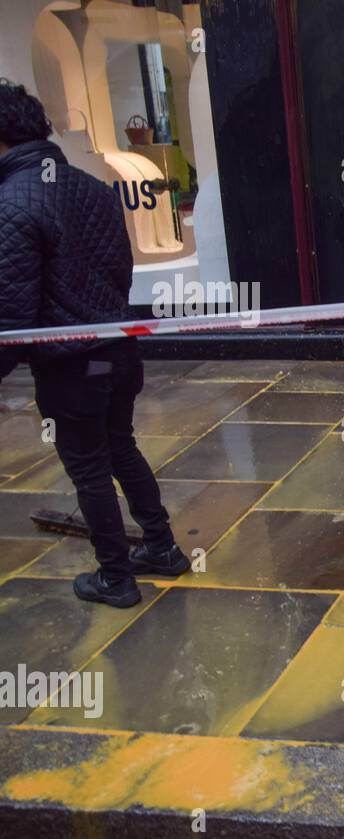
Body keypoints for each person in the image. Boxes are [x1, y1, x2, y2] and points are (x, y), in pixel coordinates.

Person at [0, 79, 189, 608]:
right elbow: (117, 270)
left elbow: (12, 313)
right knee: (121, 447)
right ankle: (162, 548)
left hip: (71, 365)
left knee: (88, 466)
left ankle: (115, 577)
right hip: (118, 348)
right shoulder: (89, 185)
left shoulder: (12, 202)